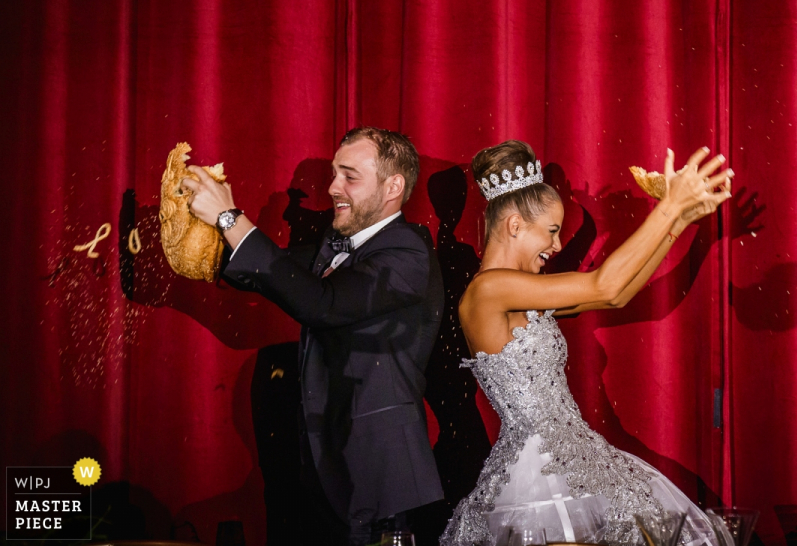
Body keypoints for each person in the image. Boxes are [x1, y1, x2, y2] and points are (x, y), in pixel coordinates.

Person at [440, 140, 734, 546]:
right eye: (553, 231)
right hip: (538, 472)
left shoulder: (521, 292)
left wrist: (679, 220)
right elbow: (605, 284)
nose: (558, 246)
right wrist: (668, 207)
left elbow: (617, 294)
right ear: (514, 226)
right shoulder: (488, 290)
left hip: (573, 458)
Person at [183, 127, 444, 546]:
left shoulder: (407, 252)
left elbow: (320, 304)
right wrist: (196, 232)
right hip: (325, 473)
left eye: (349, 176)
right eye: (333, 174)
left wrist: (230, 217)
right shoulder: (337, 243)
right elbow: (275, 273)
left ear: (394, 186)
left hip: (376, 480)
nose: (332, 187)